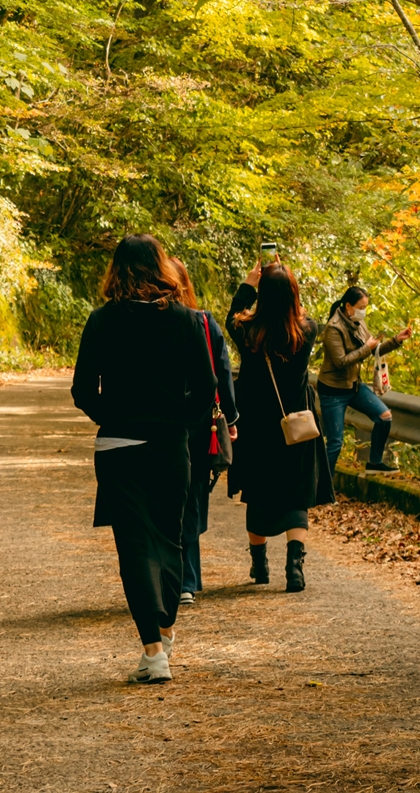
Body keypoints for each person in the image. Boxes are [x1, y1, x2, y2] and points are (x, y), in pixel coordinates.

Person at [71, 234, 216, 685]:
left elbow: (81, 390)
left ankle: (154, 652)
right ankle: (163, 639)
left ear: (116, 270)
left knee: (133, 545)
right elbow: (209, 388)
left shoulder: (101, 321)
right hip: (171, 447)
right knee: (170, 541)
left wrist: (112, 416)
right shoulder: (190, 321)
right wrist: (182, 427)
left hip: (117, 446)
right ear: (162, 268)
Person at [226, 260, 334, 593]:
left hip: (257, 426)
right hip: (295, 425)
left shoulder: (246, 330)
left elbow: (232, 315)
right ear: (293, 294)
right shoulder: (308, 329)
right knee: (295, 494)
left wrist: (248, 285)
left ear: (263, 294)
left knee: (258, 492)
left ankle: (260, 565)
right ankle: (295, 566)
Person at [167, 256, 238, 605]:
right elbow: (222, 373)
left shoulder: (153, 322)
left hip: (164, 420)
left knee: (168, 496)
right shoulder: (204, 322)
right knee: (193, 497)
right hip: (200, 423)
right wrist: (232, 419)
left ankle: (175, 577)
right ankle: (188, 580)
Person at [317, 284, 411, 478]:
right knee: (335, 443)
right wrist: (366, 349)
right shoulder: (333, 328)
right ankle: (320, 487)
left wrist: (396, 340)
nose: (363, 311)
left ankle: (374, 463)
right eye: (361, 307)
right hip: (333, 390)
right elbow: (341, 361)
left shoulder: (358, 323)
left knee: (384, 416)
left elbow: (372, 349)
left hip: (353, 385)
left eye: (365, 307)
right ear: (348, 306)